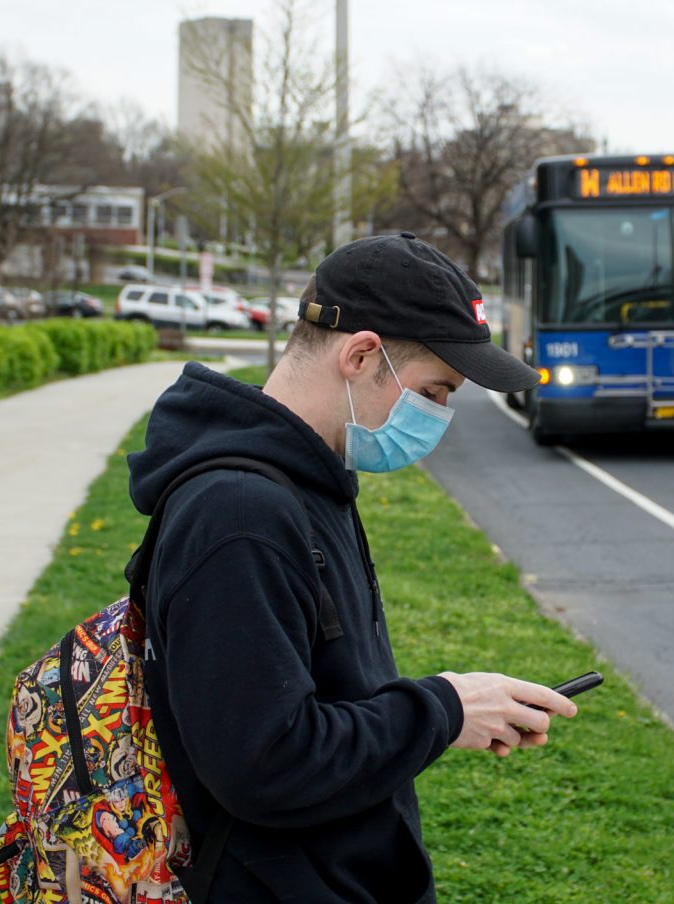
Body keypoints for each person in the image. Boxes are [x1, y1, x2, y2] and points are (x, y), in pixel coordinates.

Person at [127, 232, 579, 902]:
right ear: (362, 355)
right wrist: (443, 711)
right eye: (436, 390)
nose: (441, 415)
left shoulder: (308, 478)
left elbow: (329, 697)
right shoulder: (240, 515)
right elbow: (264, 765)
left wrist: (450, 714)